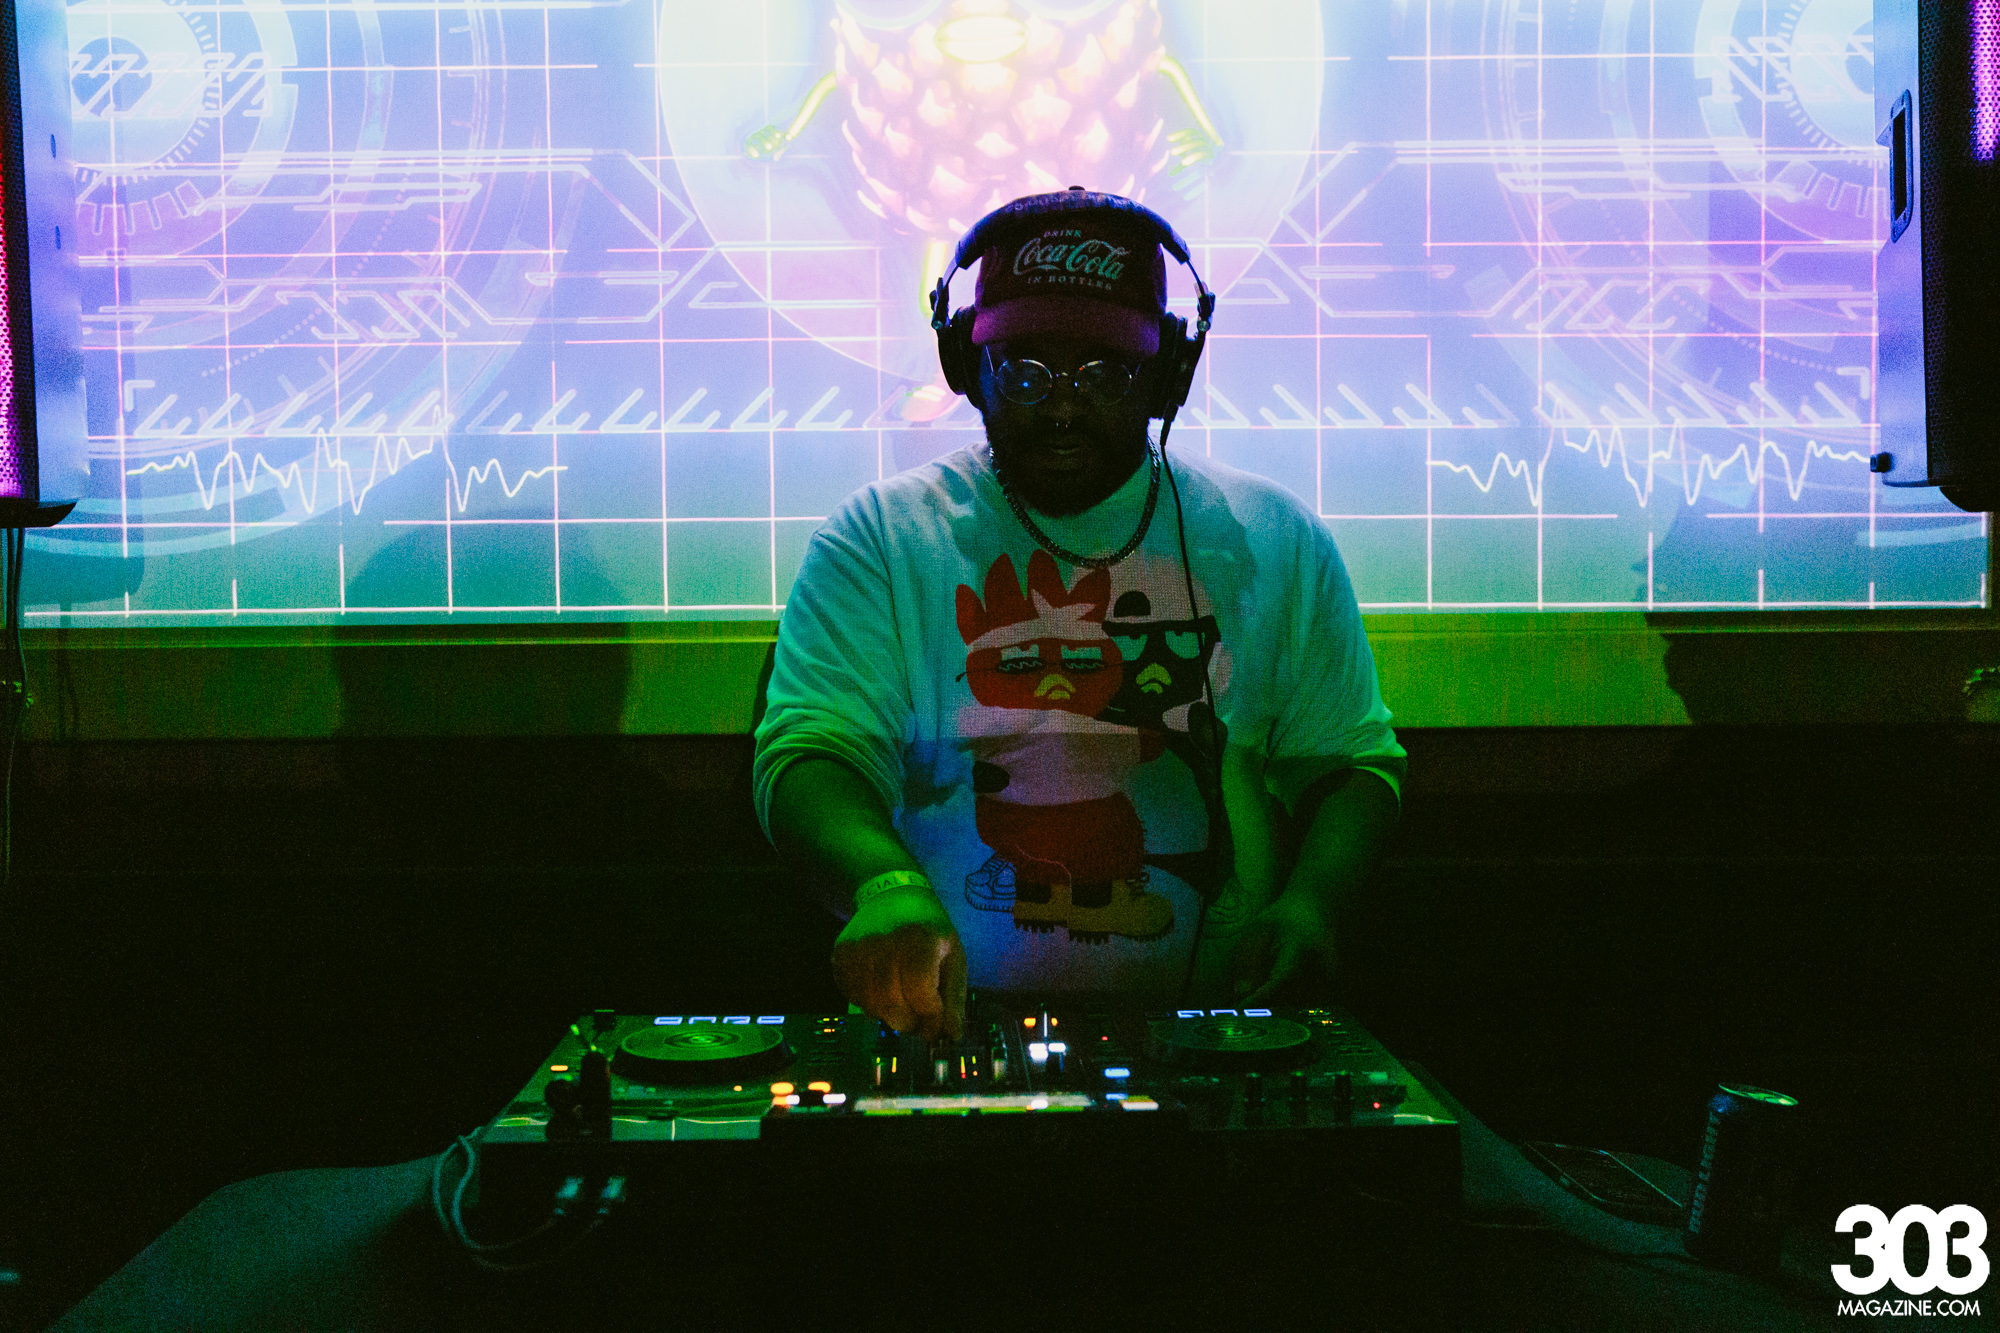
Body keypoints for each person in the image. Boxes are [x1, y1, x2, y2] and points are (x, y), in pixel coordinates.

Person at [754, 189, 1405, 1041]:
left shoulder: (1272, 538)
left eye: (1104, 373)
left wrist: (1313, 901)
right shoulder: (879, 538)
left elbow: (1352, 764)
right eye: (1025, 372)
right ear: (966, 366)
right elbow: (812, 753)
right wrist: (886, 886)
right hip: (943, 1029)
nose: (1062, 406)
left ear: (1169, 372)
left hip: (1219, 1038)